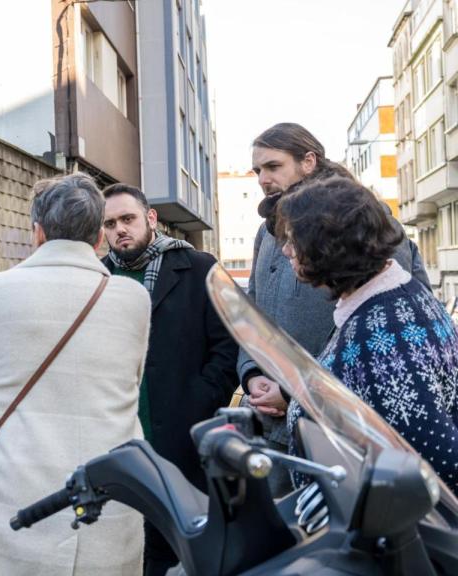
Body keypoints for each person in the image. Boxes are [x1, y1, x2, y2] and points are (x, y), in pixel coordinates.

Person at [0, 173, 149, 576]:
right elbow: (131, 378)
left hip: (13, 504)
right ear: (99, 237)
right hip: (105, 506)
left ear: (37, 232)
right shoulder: (133, 299)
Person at [240, 122, 430, 496]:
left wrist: (295, 391)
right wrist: (250, 374)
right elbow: (252, 309)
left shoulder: (363, 222)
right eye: (257, 170)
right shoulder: (266, 233)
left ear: (308, 161)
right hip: (274, 429)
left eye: (273, 166)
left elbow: (391, 324)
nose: (262, 179)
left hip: (339, 434)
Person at [276, 176, 458, 492]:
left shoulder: (382, 342)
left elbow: (435, 466)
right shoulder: (402, 293)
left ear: (327, 245)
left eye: (295, 240)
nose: (286, 250)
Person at [100, 184, 239, 576]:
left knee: (179, 552)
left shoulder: (198, 267)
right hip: (119, 435)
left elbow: (228, 345)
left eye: (127, 219)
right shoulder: (99, 276)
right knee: (124, 549)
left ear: (150, 218)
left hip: (181, 436)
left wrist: (200, 398)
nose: (119, 230)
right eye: (110, 223)